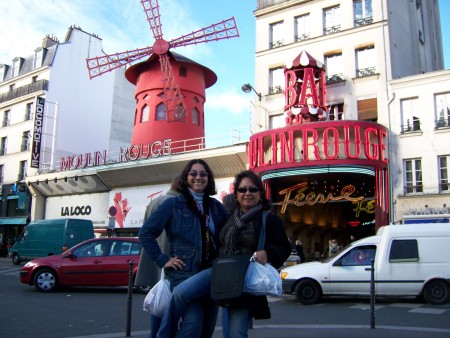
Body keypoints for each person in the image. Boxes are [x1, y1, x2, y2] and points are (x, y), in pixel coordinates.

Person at [139, 159, 228, 338]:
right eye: (193, 173)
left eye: (203, 174)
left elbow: (229, 234)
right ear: (186, 177)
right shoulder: (173, 204)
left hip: (212, 274)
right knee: (192, 327)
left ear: (208, 178)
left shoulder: (216, 206)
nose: (198, 177)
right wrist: (163, 260)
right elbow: (146, 233)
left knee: (206, 330)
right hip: (184, 274)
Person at [219, 170, 291, 338]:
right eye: (242, 190)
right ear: (236, 194)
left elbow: (284, 247)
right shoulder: (229, 217)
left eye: (253, 189)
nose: (247, 193)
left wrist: (268, 253)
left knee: (236, 333)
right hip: (224, 279)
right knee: (182, 295)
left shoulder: (270, 219)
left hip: (245, 281)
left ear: (260, 193)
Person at [135, 177, 181, 338]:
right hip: (170, 256)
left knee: (159, 304)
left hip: (154, 255)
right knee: (171, 305)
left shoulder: (155, 201)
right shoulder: (177, 203)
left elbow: (145, 230)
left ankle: (154, 334)